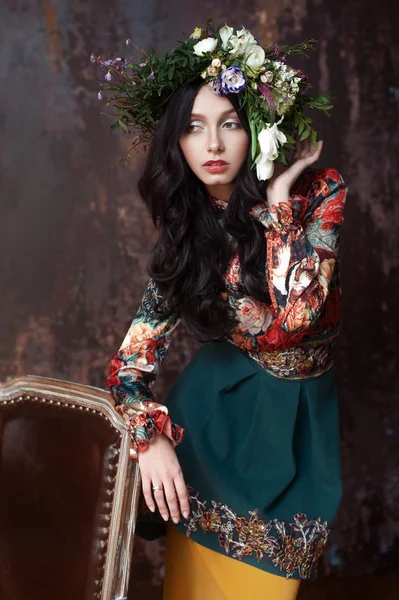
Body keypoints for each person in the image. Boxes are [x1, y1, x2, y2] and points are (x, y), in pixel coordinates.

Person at [95, 20, 348, 599]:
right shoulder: (184, 235)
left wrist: (280, 199)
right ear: (176, 142)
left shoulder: (319, 193)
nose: (212, 145)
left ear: (258, 125)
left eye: (230, 124)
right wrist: (149, 437)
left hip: (300, 425)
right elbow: (127, 369)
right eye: (193, 128)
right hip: (206, 436)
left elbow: (297, 321)